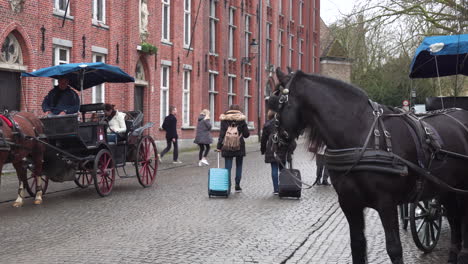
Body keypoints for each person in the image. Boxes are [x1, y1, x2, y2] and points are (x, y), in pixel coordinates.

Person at [216, 104, 250, 192]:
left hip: (227, 145)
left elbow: (222, 134)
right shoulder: (242, 119)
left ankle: (228, 186)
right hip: (239, 146)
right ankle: (237, 185)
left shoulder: (224, 119)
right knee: (239, 166)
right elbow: (246, 134)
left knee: (228, 167)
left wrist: (219, 147)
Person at [261, 110, 294, 195]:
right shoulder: (284, 123)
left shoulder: (267, 124)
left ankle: (276, 189)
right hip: (282, 148)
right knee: (283, 168)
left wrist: (263, 149)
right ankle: (284, 186)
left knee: (274, 168)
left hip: (272, 148)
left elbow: (263, 139)